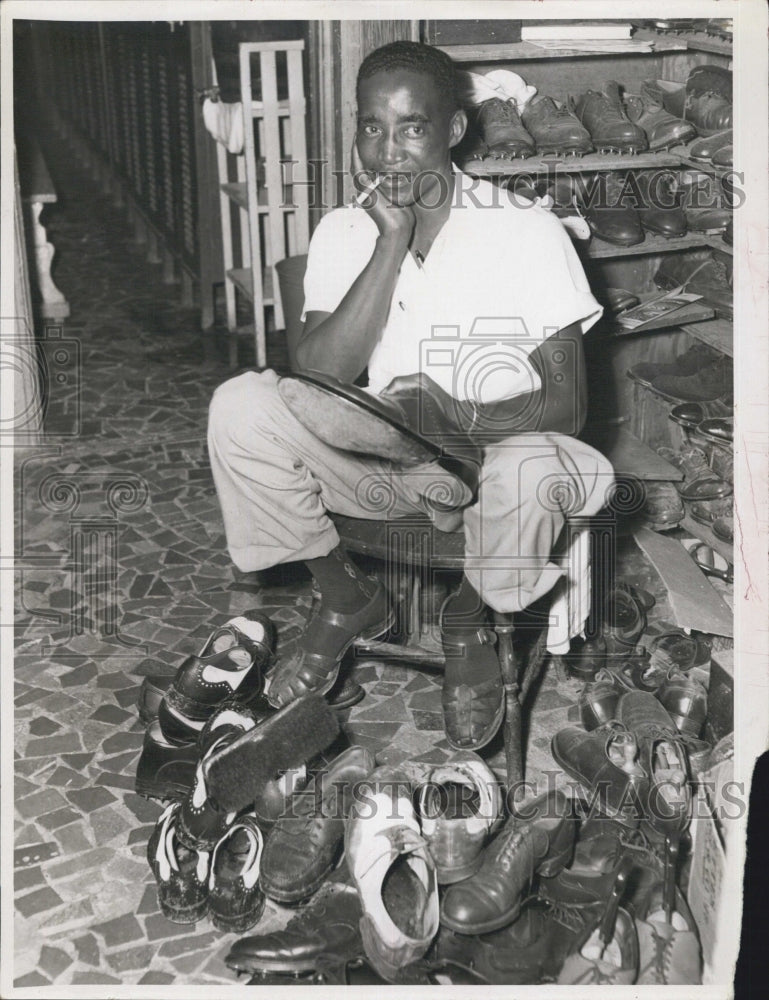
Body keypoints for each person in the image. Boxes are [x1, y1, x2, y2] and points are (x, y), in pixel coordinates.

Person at [208, 41, 614, 751]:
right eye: (372, 126)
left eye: (411, 127)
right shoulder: (345, 229)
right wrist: (389, 242)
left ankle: (467, 622)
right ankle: (346, 599)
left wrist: (448, 423)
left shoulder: (525, 229)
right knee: (241, 405)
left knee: (533, 466)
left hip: (497, 465)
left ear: (453, 130)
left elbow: (568, 405)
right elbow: (320, 375)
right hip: (384, 463)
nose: (388, 150)